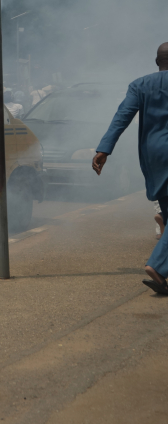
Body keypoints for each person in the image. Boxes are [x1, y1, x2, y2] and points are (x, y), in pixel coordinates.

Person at [93, 42, 168, 294]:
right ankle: (157, 267)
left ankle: (162, 275)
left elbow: (122, 116)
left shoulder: (140, 84)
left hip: (153, 155)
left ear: (156, 62)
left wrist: (104, 149)